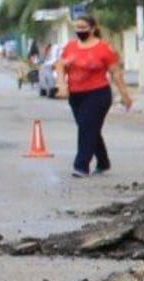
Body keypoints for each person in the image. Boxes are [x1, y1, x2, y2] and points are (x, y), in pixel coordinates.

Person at [53, 16, 132, 178]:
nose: (80, 31)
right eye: (77, 28)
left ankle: (81, 166)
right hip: (76, 95)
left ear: (93, 28)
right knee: (89, 128)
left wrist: (125, 95)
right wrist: (61, 85)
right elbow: (60, 65)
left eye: (83, 28)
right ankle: (103, 161)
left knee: (87, 127)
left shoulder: (104, 49)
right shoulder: (70, 47)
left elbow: (115, 73)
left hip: (98, 94)